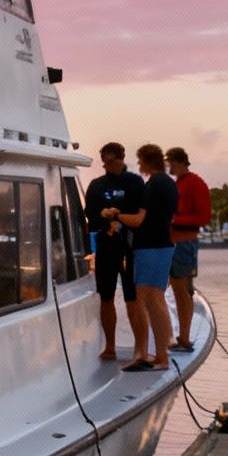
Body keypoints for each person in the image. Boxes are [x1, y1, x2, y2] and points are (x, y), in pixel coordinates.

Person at [112, 144, 178, 371]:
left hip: (151, 247)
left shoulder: (155, 184)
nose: (138, 166)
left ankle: (161, 357)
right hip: (160, 246)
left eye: (140, 162)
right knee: (153, 299)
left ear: (148, 161)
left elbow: (139, 220)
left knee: (151, 300)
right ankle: (161, 353)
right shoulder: (169, 183)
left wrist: (117, 214)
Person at [83, 141, 148, 362]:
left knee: (133, 296)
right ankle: (110, 346)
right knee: (106, 296)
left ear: (120, 158)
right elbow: (90, 215)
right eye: (104, 161)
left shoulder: (135, 182)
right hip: (106, 245)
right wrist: (104, 221)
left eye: (111, 160)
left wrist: (118, 218)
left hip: (130, 246)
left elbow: (140, 213)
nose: (107, 165)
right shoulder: (97, 185)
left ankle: (140, 347)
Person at [166, 146, 212, 352]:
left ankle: (184, 336)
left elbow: (204, 217)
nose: (169, 167)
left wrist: (175, 220)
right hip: (173, 242)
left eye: (171, 162)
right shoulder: (179, 183)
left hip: (185, 243)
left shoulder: (196, 183)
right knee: (177, 291)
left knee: (183, 291)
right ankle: (180, 335)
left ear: (179, 162)